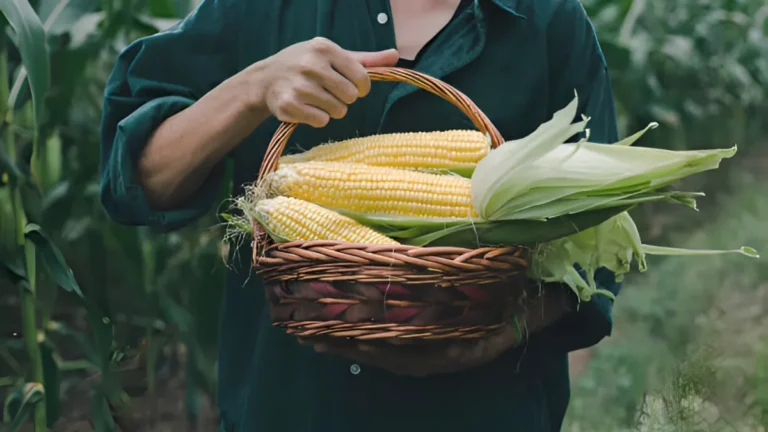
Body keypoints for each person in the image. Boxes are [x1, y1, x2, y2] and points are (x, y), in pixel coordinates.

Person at [99, 0, 622, 430]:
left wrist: (505, 331)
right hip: (296, 409)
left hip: (484, 410)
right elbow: (140, 181)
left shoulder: (551, 21)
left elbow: (600, 246)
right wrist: (254, 87)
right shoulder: (254, 9)